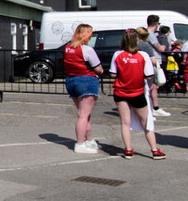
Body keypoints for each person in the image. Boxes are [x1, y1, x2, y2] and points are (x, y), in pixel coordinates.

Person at [109, 30, 166, 159]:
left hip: (120, 91)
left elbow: (113, 74)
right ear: (137, 41)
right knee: (146, 122)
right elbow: (149, 75)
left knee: (125, 122)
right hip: (137, 92)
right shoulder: (143, 55)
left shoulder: (118, 54)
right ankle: (154, 150)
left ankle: (128, 150)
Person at [63, 24, 104, 153]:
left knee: (84, 114)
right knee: (83, 115)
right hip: (86, 80)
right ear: (86, 35)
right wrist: (101, 71)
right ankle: (80, 144)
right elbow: (98, 69)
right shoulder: (87, 50)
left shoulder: (67, 48)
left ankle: (90, 140)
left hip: (71, 80)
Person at [134, 27, 170, 116]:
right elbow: (153, 60)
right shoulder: (144, 45)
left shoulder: (133, 44)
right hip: (147, 70)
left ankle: (155, 108)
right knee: (147, 90)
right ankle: (148, 111)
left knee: (151, 88)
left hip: (137, 69)